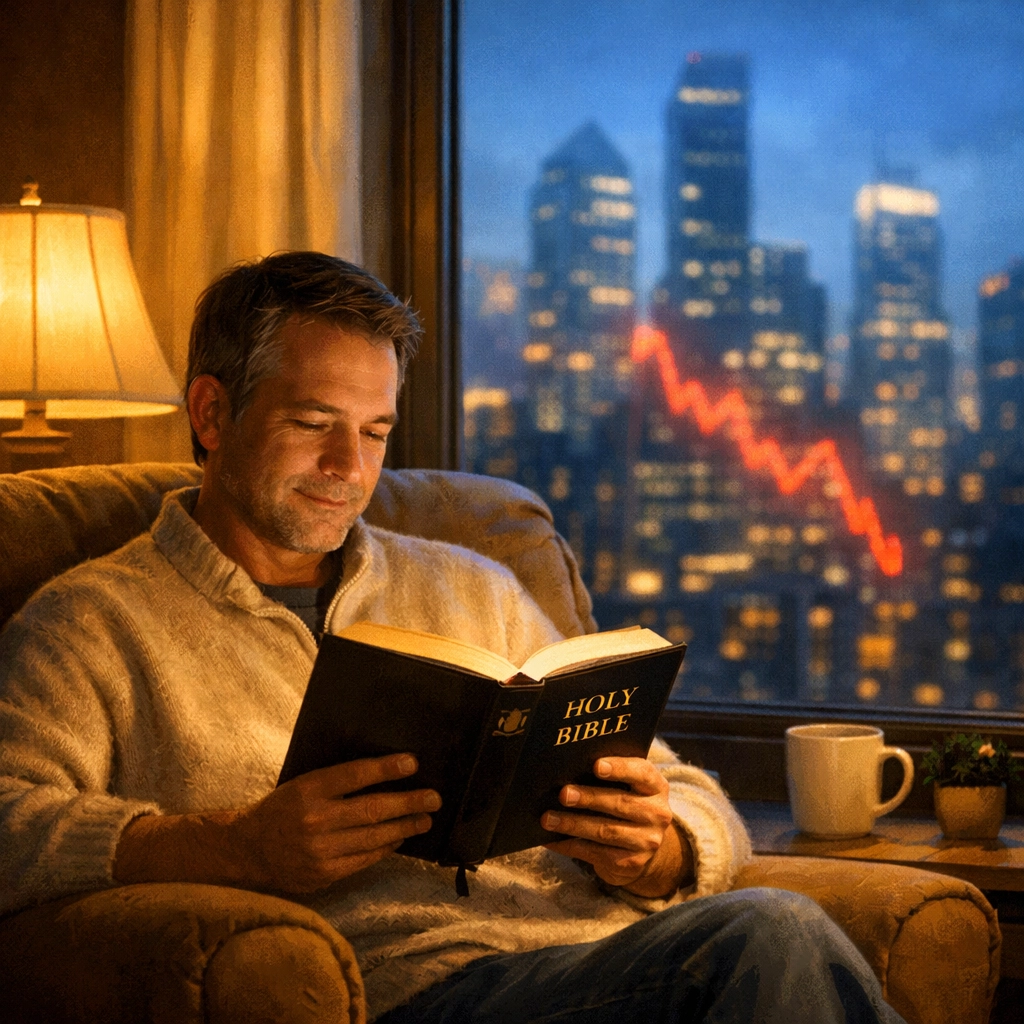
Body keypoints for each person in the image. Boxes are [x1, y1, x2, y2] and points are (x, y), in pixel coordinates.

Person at [0, 252, 905, 1023]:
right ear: (210, 413)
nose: (347, 469)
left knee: (767, 936)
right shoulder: (97, 621)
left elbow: (690, 790)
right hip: (412, 989)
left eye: (374, 431)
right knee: (771, 934)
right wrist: (228, 847)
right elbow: (11, 821)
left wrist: (659, 847)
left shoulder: (472, 584)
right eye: (314, 425)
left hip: (611, 965)